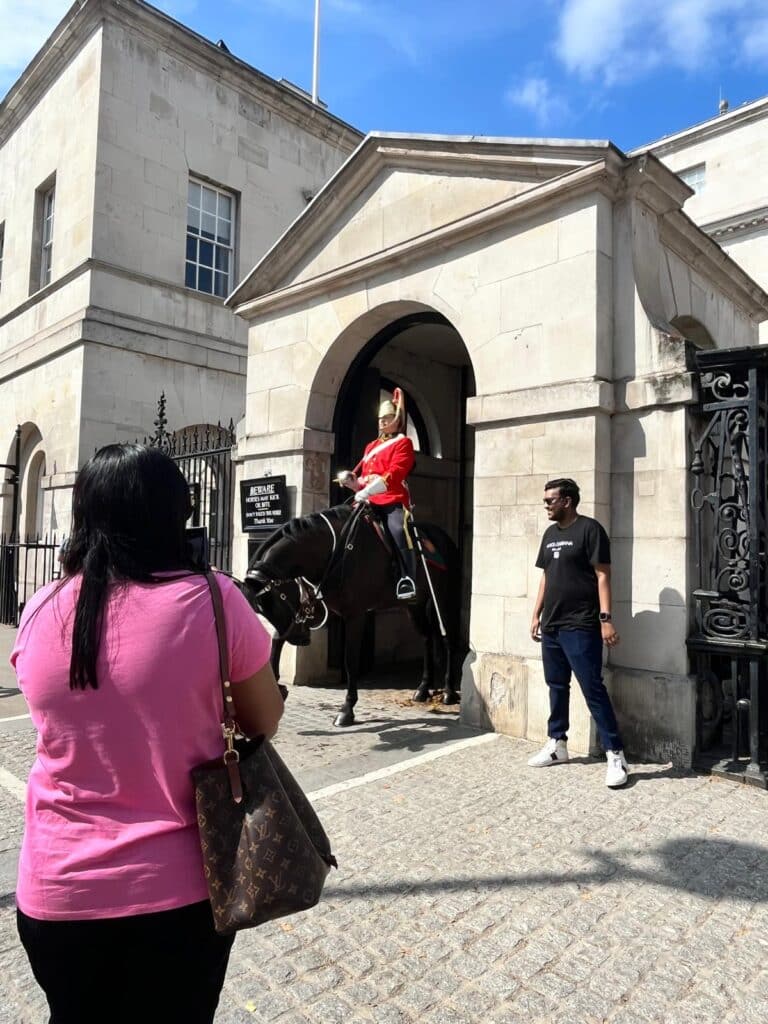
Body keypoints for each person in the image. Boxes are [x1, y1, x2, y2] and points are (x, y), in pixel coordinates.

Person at [11, 444, 284, 1024]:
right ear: (177, 515)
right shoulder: (215, 599)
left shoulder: (37, 608)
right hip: (177, 895)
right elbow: (265, 719)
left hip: (56, 894)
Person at [528, 477, 629, 788]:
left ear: (567, 501)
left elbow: (603, 576)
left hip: (582, 624)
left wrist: (606, 619)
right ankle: (557, 744)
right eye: (545, 500)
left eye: (550, 500)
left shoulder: (590, 529)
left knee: (592, 689)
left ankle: (616, 754)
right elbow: (546, 576)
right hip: (553, 625)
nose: (546, 505)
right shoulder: (549, 534)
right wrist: (536, 614)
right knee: (556, 686)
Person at [338, 387, 417, 600]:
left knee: (398, 530)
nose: (382, 422)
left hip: (391, 500)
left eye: (387, 417)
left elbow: (394, 475)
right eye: (380, 419)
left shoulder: (403, 443)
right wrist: (353, 483)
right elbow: (365, 478)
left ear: (397, 419)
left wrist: (366, 491)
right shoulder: (371, 446)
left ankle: (406, 579)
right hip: (367, 500)